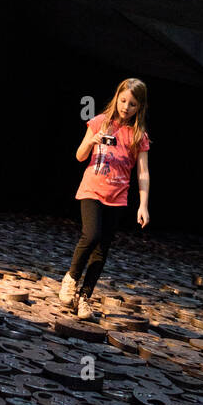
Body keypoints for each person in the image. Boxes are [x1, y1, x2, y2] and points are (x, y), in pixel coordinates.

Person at [59, 77, 150, 321]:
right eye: (123, 101)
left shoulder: (138, 135)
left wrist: (143, 205)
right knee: (92, 235)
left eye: (132, 104)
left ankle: (85, 297)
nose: (126, 107)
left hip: (117, 197)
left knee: (102, 250)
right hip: (92, 190)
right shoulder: (100, 122)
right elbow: (79, 156)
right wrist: (92, 139)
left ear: (139, 107)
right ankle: (71, 279)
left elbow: (143, 172)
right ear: (116, 98)